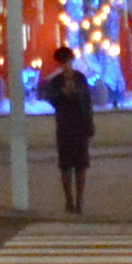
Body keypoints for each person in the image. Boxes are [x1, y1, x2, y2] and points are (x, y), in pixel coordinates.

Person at [38, 47, 96, 214]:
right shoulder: (56, 81)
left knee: (80, 165)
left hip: (79, 126)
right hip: (65, 126)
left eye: (68, 61)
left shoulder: (80, 78)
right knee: (66, 166)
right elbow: (52, 100)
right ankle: (69, 201)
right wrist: (63, 93)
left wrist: (89, 124)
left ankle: (79, 201)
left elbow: (87, 102)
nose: (66, 65)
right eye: (63, 62)